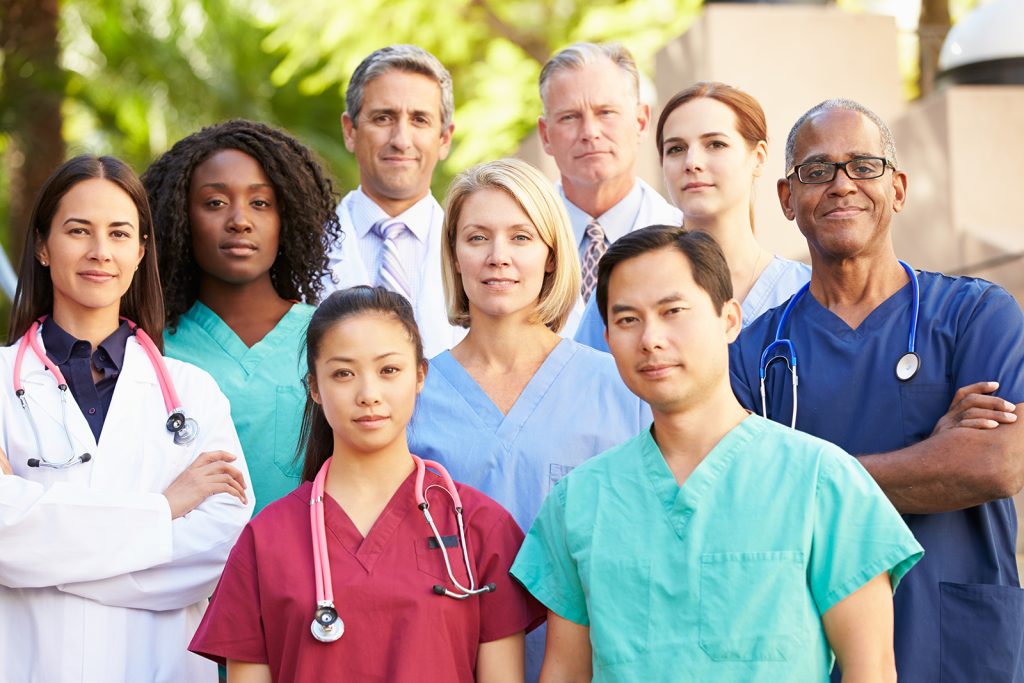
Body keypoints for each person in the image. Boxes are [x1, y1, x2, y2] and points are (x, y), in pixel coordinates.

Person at [512, 225, 923, 682]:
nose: (650, 338)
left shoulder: (823, 482)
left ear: (730, 320)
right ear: (607, 339)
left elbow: (872, 671)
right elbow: (564, 673)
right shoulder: (579, 503)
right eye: (628, 319)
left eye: (673, 311)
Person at [729, 99, 1024, 683]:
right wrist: (934, 454)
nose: (842, 185)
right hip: (814, 653)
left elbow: (997, 462)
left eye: (863, 165)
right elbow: (743, 507)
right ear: (788, 198)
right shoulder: (751, 354)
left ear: (899, 187)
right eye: (817, 170)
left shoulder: (976, 314)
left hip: (959, 645)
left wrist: (798, 479)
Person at [189, 286, 543, 682]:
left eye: (389, 370)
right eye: (343, 373)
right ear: (315, 388)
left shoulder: (479, 528)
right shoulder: (266, 540)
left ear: (420, 376)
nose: (368, 394)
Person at [0, 155, 253, 682]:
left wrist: (38, 550)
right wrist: (163, 508)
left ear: (140, 251)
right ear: (44, 246)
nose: (100, 252)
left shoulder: (193, 394)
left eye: (119, 233)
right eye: (78, 231)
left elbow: (216, 551)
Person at [407, 158, 649, 681]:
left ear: (550, 255)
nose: (498, 257)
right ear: (454, 254)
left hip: (597, 660)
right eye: (477, 238)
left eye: (520, 237)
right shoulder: (411, 393)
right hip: (447, 660)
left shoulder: (620, 388)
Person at [144, 119, 341, 514]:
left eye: (260, 203)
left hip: (308, 567)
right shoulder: (152, 347)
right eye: (215, 203)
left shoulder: (331, 336)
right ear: (180, 218)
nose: (239, 220)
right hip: (188, 570)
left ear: (287, 217)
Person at [575, 81, 811, 351]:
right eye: (676, 149)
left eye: (715, 144)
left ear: (758, 157)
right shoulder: (622, 287)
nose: (692, 162)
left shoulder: (807, 292)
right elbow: (582, 386)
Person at [321, 45, 461, 357]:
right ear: (350, 131)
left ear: (444, 139)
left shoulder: (475, 253)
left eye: (420, 120)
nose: (400, 140)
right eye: (383, 118)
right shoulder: (307, 249)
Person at [537, 42, 682, 336]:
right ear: (545, 135)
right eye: (569, 117)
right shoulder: (520, 238)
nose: (590, 132)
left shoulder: (683, 233)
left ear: (641, 122)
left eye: (606, 112)